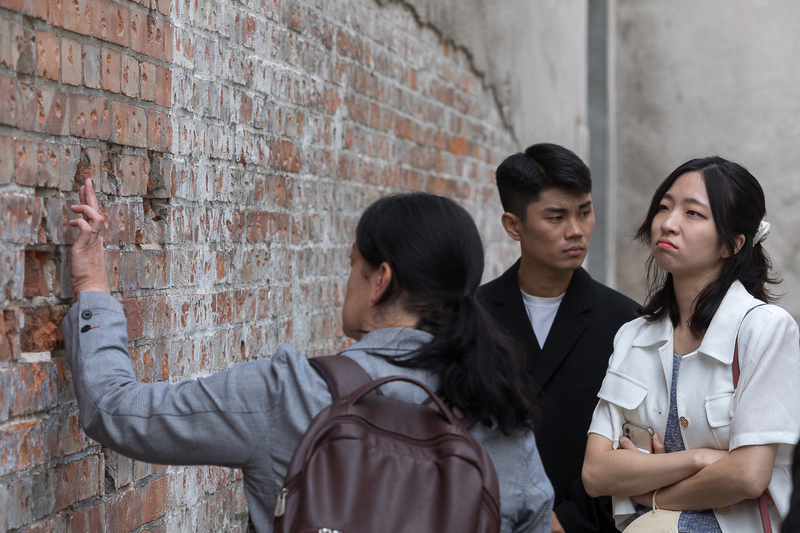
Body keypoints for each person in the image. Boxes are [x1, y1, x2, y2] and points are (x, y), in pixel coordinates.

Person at [62, 179, 555, 533]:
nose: (349, 281)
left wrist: (91, 287)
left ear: (380, 280)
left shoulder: (294, 393)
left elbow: (117, 412)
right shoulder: (501, 412)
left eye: (352, 265)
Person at [582, 156, 800, 532]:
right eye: (664, 207)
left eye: (693, 213)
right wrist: (699, 459)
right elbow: (596, 473)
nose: (668, 223)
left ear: (731, 244)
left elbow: (748, 476)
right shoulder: (633, 336)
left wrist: (653, 496)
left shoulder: (765, 330)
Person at [477, 143, 638, 533]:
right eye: (556, 217)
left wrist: (567, 519)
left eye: (585, 211)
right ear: (514, 225)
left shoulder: (627, 322)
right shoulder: (473, 318)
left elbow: (633, 438)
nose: (576, 231)